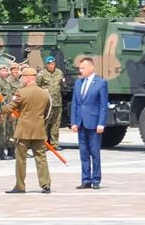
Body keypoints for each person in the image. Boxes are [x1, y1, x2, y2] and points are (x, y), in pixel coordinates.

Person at [3, 67, 51, 194]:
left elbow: (10, 108)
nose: (22, 80)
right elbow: (47, 113)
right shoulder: (44, 93)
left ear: (28, 78)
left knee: (21, 159)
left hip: (23, 131)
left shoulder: (21, 92)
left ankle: (20, 186)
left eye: (23, 77)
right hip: (39, 130)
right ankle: (45, 184)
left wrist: (4, 106)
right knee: (41, 158)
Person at [70, 57, 108, 190]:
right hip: (81, 123)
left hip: (94, 123)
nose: (80, 71)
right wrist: (73, 122)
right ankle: (85, 179)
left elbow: (103, 106)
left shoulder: (101, 83)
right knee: (83, 153)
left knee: (95, 152)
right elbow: (75, 104)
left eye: (83, 68)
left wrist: (101, 123)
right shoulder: (78, 83)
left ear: (91, 68)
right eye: (80, 68)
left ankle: (96, 179)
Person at [37, 56, 65, 151]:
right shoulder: (41, 74)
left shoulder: (59, 73)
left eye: (52, 63)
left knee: (56, 124)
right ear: (46, 64)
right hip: (46, 103)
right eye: (49, 64)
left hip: (57, 102)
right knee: (45, 123)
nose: (51, 65)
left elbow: (61, 85)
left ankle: (54, 143)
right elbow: (38, 86)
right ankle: (44, 144)